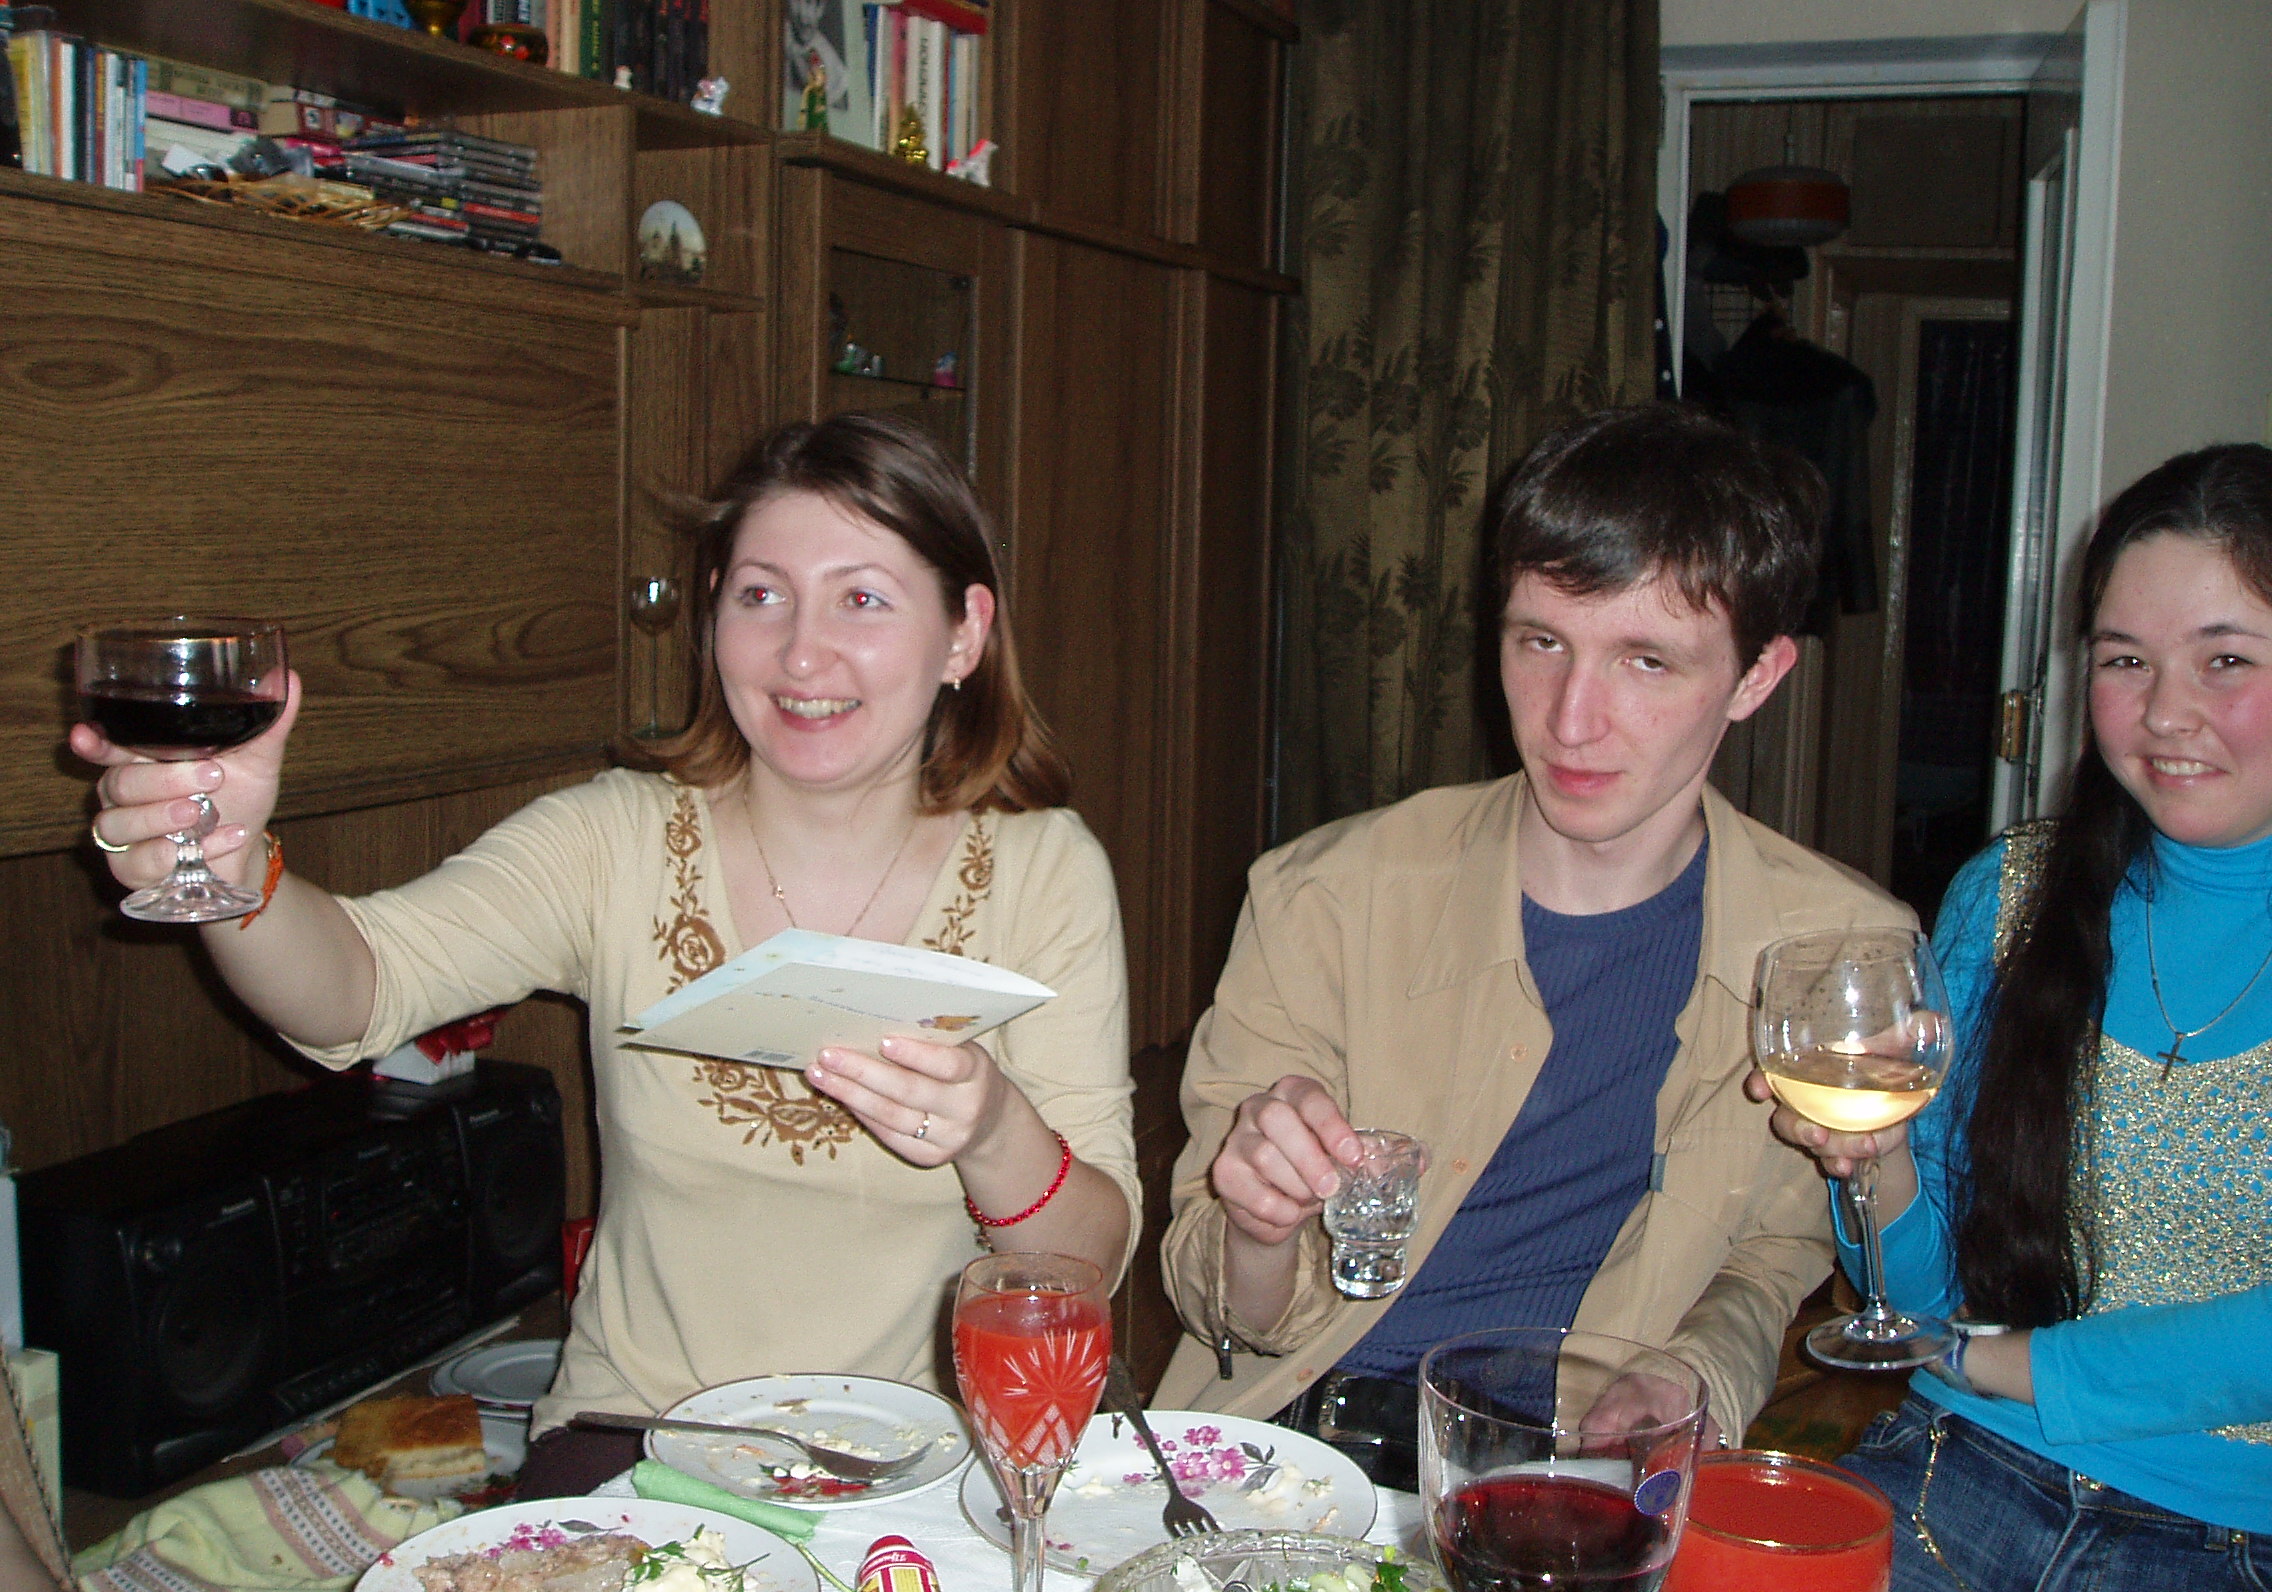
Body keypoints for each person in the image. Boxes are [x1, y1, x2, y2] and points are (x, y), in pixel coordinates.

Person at [74, 414, 1138, 1496]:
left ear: (963, 635)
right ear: (712, 614)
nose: (801, 653)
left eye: (861, 599)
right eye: (760, 595)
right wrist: (232, 869)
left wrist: (992, 1131)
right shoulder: (612, 841)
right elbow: (356, 987)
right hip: (638, 1439)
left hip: (929, 1465)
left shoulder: (1044, 871)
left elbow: (1090, 1259)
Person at [1155, 403, 1913, 1484]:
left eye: (1646, 662)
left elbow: (1773, 1251)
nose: (1569, 719)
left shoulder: (1836, 952)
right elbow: (1226, 1312)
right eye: (1541, 642)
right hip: (1291, 1449)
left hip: (1567, 1481)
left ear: (1756, 677)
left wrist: (1695, 1371)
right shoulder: (1326, 897)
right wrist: (1257, 1226)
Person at [1760, 445, 2272, 1589]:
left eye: (2225, 660)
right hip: (1957, 1473)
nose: (2164, 712)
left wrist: (2000, 1364)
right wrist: (1876, 1165)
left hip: (2228, 1539)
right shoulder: (2011, 899)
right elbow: (1925, 1294)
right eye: (2124, 659)